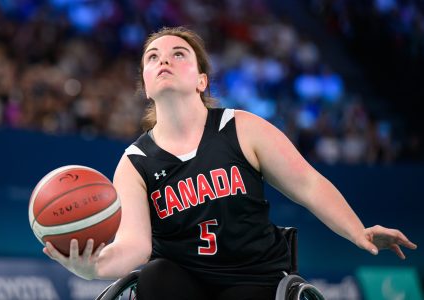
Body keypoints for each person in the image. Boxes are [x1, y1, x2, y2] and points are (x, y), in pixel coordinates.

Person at [43, 26, 417, 300]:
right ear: (145, 81)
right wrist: (94, 267)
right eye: (153, 57)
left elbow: (308, 185)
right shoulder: (135, 162)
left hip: (253, 276)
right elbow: (135, 246)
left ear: (201, 80)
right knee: (155, 277)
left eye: (178, 55)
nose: (164, 61)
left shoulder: (240, 127)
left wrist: (358, 231)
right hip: (182, 278)